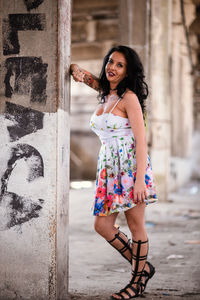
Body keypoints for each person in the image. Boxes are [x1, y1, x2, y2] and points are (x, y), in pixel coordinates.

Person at [70, 45, 158, 300]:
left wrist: (140, 180)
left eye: (120, 65)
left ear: (128, 71)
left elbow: (142, 141)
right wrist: (74, 69)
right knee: (102, 225)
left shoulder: (129, 97)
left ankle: (136, 283)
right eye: (110, 62)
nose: (113, 68)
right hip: (109, 169)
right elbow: (84, 76)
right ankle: (144, 269)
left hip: (130, 167)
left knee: (135, 225)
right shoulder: (106, 93)